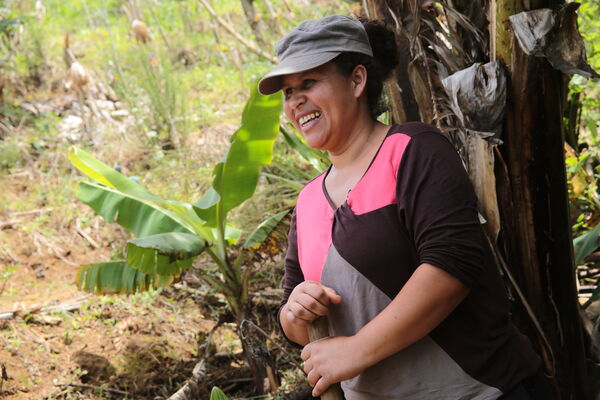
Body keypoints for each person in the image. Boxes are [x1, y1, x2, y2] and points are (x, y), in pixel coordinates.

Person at [258, 15, 552, 400]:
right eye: (287, 91)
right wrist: (293, 313)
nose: (295, 100)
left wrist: (356, 350)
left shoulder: (412, 149)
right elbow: (293, 319)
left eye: (309, 83)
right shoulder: (308, 199)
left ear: (357, 80)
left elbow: (453, 264)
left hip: (484, 391)